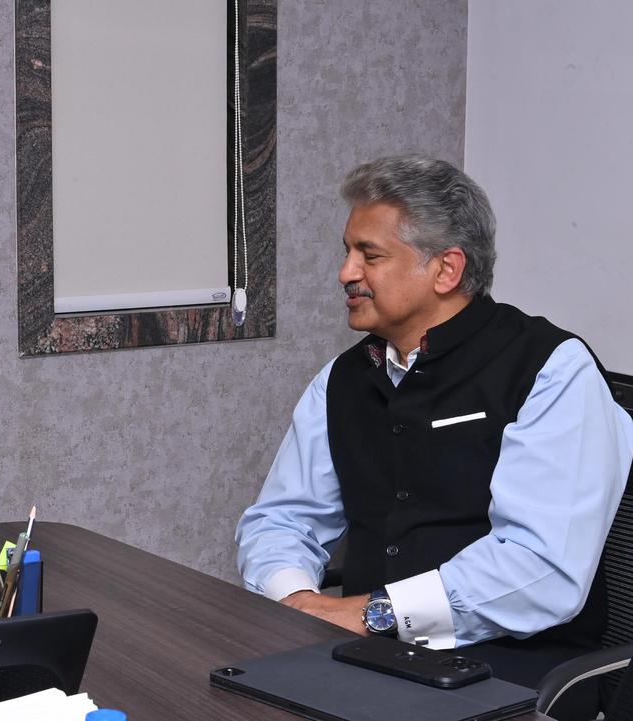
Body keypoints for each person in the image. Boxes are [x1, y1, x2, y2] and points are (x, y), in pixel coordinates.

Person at [236, 156, 633, 697]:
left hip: (514, 668)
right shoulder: (343, 378)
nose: (345, 273)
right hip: (359, 652)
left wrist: (373, 614)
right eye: (347, 252)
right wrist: (297, 604)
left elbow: (539, 567)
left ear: (446, 269)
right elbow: (283, 520)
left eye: (369, 255)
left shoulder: (552, 369)